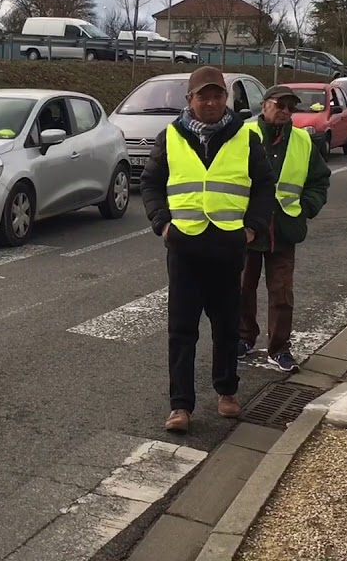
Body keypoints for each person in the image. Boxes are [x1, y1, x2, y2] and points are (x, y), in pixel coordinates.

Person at [140, 66, 276, 432]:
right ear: (190, 100)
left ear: (226, 99)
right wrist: (163, 224)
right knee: (181, 330)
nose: (212, 102)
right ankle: (180, 406)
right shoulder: (170, 137)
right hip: (184, 246)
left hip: (228, 244)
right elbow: (151, 183)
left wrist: (252, 228)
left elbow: (264, 186)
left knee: (227, 326)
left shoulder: (245, 138)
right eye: (204, 96)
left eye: (218, 95)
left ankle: (227, 392)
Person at [238, 85, 331, 372]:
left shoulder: (302, 140)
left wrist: (306, 208)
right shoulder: (243, 136)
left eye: (291, 107)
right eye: (280, 105)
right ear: (264, 105)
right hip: (246, 227)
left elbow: (319, 179)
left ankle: (279, 348)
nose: (286, 112)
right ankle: (243, 338)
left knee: (281, 293)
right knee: (242, 288)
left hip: (284, 227)